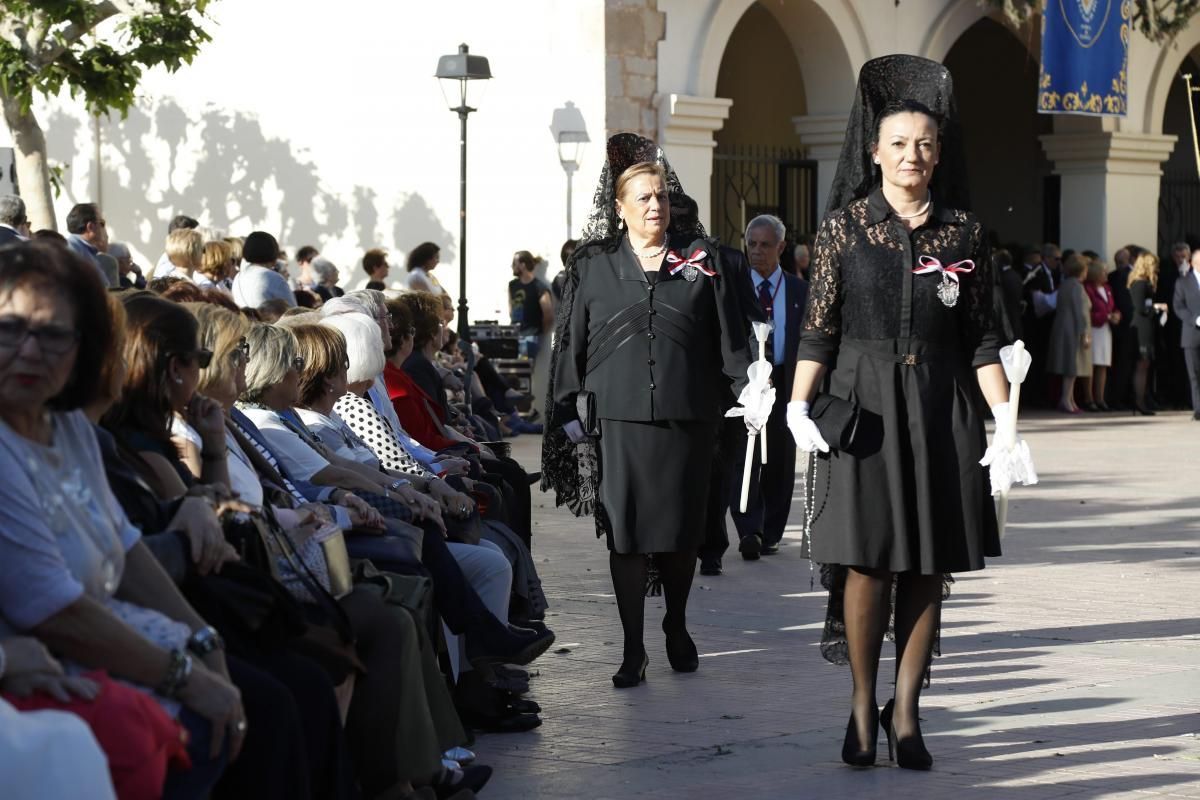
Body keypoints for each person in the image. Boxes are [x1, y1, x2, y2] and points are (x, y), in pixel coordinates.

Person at [785, 57, 1025, 770]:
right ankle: (863, 707)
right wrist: (800, 404)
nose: (911, 155)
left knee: (927, 566)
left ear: (938, 153)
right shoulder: (843, 230)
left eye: (924, 143)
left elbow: (983, 339)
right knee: (865, 566)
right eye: (898, 143)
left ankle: (909, 711)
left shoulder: (966, 236)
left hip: (941, 405)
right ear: (875, 151)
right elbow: (818, 330)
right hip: (862, 404)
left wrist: (1006, 424)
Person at [0, 242, 239, 797]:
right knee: (214, 721)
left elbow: (126, 547)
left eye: (54, 334)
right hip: (49, 666)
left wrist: (206, 641)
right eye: (10, 329)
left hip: (111, 639)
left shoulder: (71, 428)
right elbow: (52, 609)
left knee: (261, 698)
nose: (31, 351)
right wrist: (188, 677)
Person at [544, 132, 751, 688]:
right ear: (620, 208)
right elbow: (572, 343)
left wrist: (743, 393)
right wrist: (568, 411)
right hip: (619, 422)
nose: (655, 206)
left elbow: (732, 340)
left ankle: (677, 626)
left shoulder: (703, 261)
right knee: (627, 536)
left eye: (660, 195)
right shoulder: (592, 264)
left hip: (688, 419)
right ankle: (632, 646)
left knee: (682, 533)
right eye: (642, 198)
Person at [730, 214, 807, 562]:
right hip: (745, 384)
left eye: (764, 245)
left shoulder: (798, 290)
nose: (757, 252)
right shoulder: (734, 287)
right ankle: (750, 529)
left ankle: (771, 531)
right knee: (744, 457)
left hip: (785, 381)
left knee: (778, 458)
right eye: (751, 244)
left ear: (781, 247)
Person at [509, 251, 554, 419]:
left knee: (524, 373)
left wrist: (539, 331)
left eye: (515, 263)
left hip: (530, 336)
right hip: (514, 335)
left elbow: (548, 313)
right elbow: (511, 308)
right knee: (514, 372)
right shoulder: (512, 285)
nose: (512, 266)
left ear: (522, 264)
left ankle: (526, 412)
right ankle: (517, 412)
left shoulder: (539, 286)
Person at [1045, 254, 1092, 413]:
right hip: (1073, 330)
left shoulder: (1065, 284)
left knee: (1069, 367)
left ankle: (1068, 399)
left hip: (1062, 328)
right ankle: (1066, 399)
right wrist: (1085, 333)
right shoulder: (1077, 287)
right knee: (1072, 367)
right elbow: (1082, 312)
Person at [1130, 252, 1168, 415]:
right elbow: (1140, 308)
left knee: (1145, 365)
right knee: (1142, 365)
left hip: (1147, 326)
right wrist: (1157, 307)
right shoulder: (1139, 284)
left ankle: (1142, 400)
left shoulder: (1144, 284)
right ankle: (1138, 401)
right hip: (1141, 327)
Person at [1084, 260, 1118, 411]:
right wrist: (1106, 316)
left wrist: (1117, 315)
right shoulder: (1088, 289)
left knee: (1102, 365)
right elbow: (1088, 311)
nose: (1106, 274)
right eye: (1103, 271)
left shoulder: (1107, 288)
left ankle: (1100, 398)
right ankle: (1088, 398)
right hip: (1094, 329)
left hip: (1105, 330)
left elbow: (1113, 307)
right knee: (1091, 365)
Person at [232, 231, 295, 310]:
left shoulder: (238, 277)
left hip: (245, 321)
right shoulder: (273, 278)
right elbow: (293, 312)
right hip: (271, 322)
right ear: (273, 251)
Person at [1173, 249, 1200, 420]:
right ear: (1195, 264)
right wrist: (1195, 320)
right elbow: (1178, 307)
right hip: (1192, 334)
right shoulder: (1183, 282)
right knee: (1195, 374)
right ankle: (1198, 408)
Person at [64, 202, 111, 285]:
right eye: (102, 223)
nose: (103, 228)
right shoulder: (73, 252)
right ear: (90, 227)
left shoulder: (83, 249)